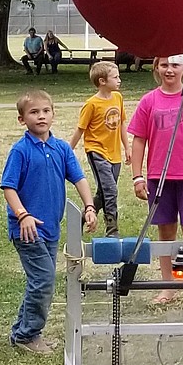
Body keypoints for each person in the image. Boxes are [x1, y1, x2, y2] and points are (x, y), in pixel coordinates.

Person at [0, 90, 96, 353]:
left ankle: (22, 332)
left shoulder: (61, 148)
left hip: (51, 228)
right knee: (43, 279)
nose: (41, 116)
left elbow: (79, 178)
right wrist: (23, 215)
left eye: (46, 111)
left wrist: (89, 206)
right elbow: (9, 187)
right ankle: (28, 336)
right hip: (27, 230)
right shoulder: (20, 151)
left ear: (53, 114)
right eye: (34, 112)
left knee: (39, 280)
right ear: (22, 120)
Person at [129, 57, 183, 305]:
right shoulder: (149, 101)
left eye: (175, 65)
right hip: (159, 177)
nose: (170, 70)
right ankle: (169, 286)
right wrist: (138, 177)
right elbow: (138, 140)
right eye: (164, 64)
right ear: (156, 67)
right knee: (165, 232)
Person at [68, 62, 131, 236]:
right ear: (102, 81)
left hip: (114, 154)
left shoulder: (118, 98)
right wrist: (66, 152)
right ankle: (112, 229)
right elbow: (80, 130)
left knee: (104, 193)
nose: (119, 80)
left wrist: (127, 147)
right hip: (97, 152)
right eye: (115, 77)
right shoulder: (91, 104)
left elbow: (122, 123)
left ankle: (81, 217)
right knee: (111, 190)